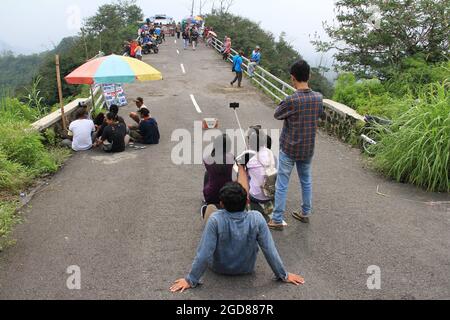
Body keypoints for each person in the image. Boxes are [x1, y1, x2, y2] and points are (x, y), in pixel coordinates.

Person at [170, 182, 305, 293]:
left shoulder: (215, 220)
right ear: (247, 200)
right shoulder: (257, 218)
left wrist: (190, 279)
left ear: (222, 204)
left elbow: (204, 253)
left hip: (219, 267)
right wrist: (283, 275)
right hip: (246, 268)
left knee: (210, 210)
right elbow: (270, 249)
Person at [268, 60, 324, 230]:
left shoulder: (292, 100)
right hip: (308, 148)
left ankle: (277, 219)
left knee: (282, 183)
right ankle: (305, 212)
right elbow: (320, 115)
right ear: (309, 76)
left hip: (289, 148)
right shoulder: (318, 98)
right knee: (306, 180)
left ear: (292, 78)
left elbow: (277, 114)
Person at [201, 134, 235, 216]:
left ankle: (206, 201)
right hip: (228, 194)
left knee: (207, 174)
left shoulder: (207, 159)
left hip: (212, 195)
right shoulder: (231, 157)